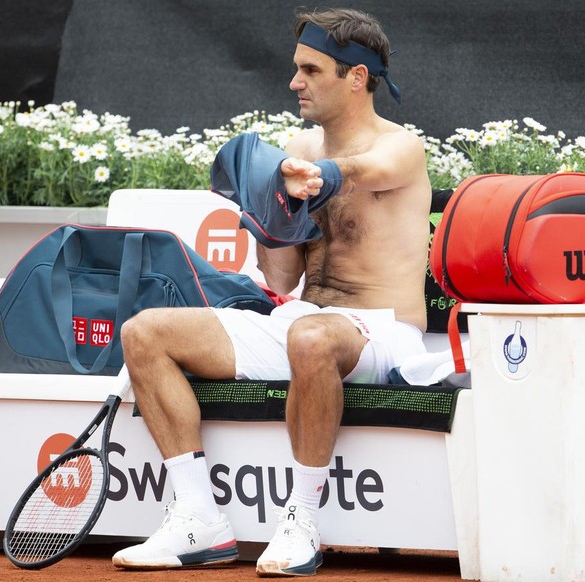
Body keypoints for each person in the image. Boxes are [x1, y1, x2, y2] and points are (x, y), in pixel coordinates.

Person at [112, 7, 431, 577]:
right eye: (296, 69)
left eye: (310, 70)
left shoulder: (401, 146)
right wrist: (267, 211)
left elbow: (365, 170)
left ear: (355, 76)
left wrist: (317, 179)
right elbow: (282, 282)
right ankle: (197, 519)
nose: (294, 82)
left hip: (385, 331)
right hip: (308, 321)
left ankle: (302, 520)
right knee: (145, 333)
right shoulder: (297, 149)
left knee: (309, 338)